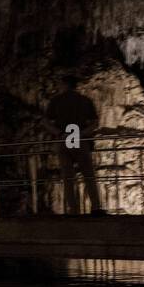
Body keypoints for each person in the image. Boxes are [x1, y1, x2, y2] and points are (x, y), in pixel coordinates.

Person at [45, 75, 106, 215]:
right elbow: (95, 123)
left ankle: (73, 210)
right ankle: (96, 207)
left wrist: (59, 133)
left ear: (65, 84)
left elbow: (46, 122)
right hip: (80, 139)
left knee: (68, 177)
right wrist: (83, 134)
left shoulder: (56, 101)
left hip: (64, 140)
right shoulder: (84, 100)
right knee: (88, 175)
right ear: (75, 86)